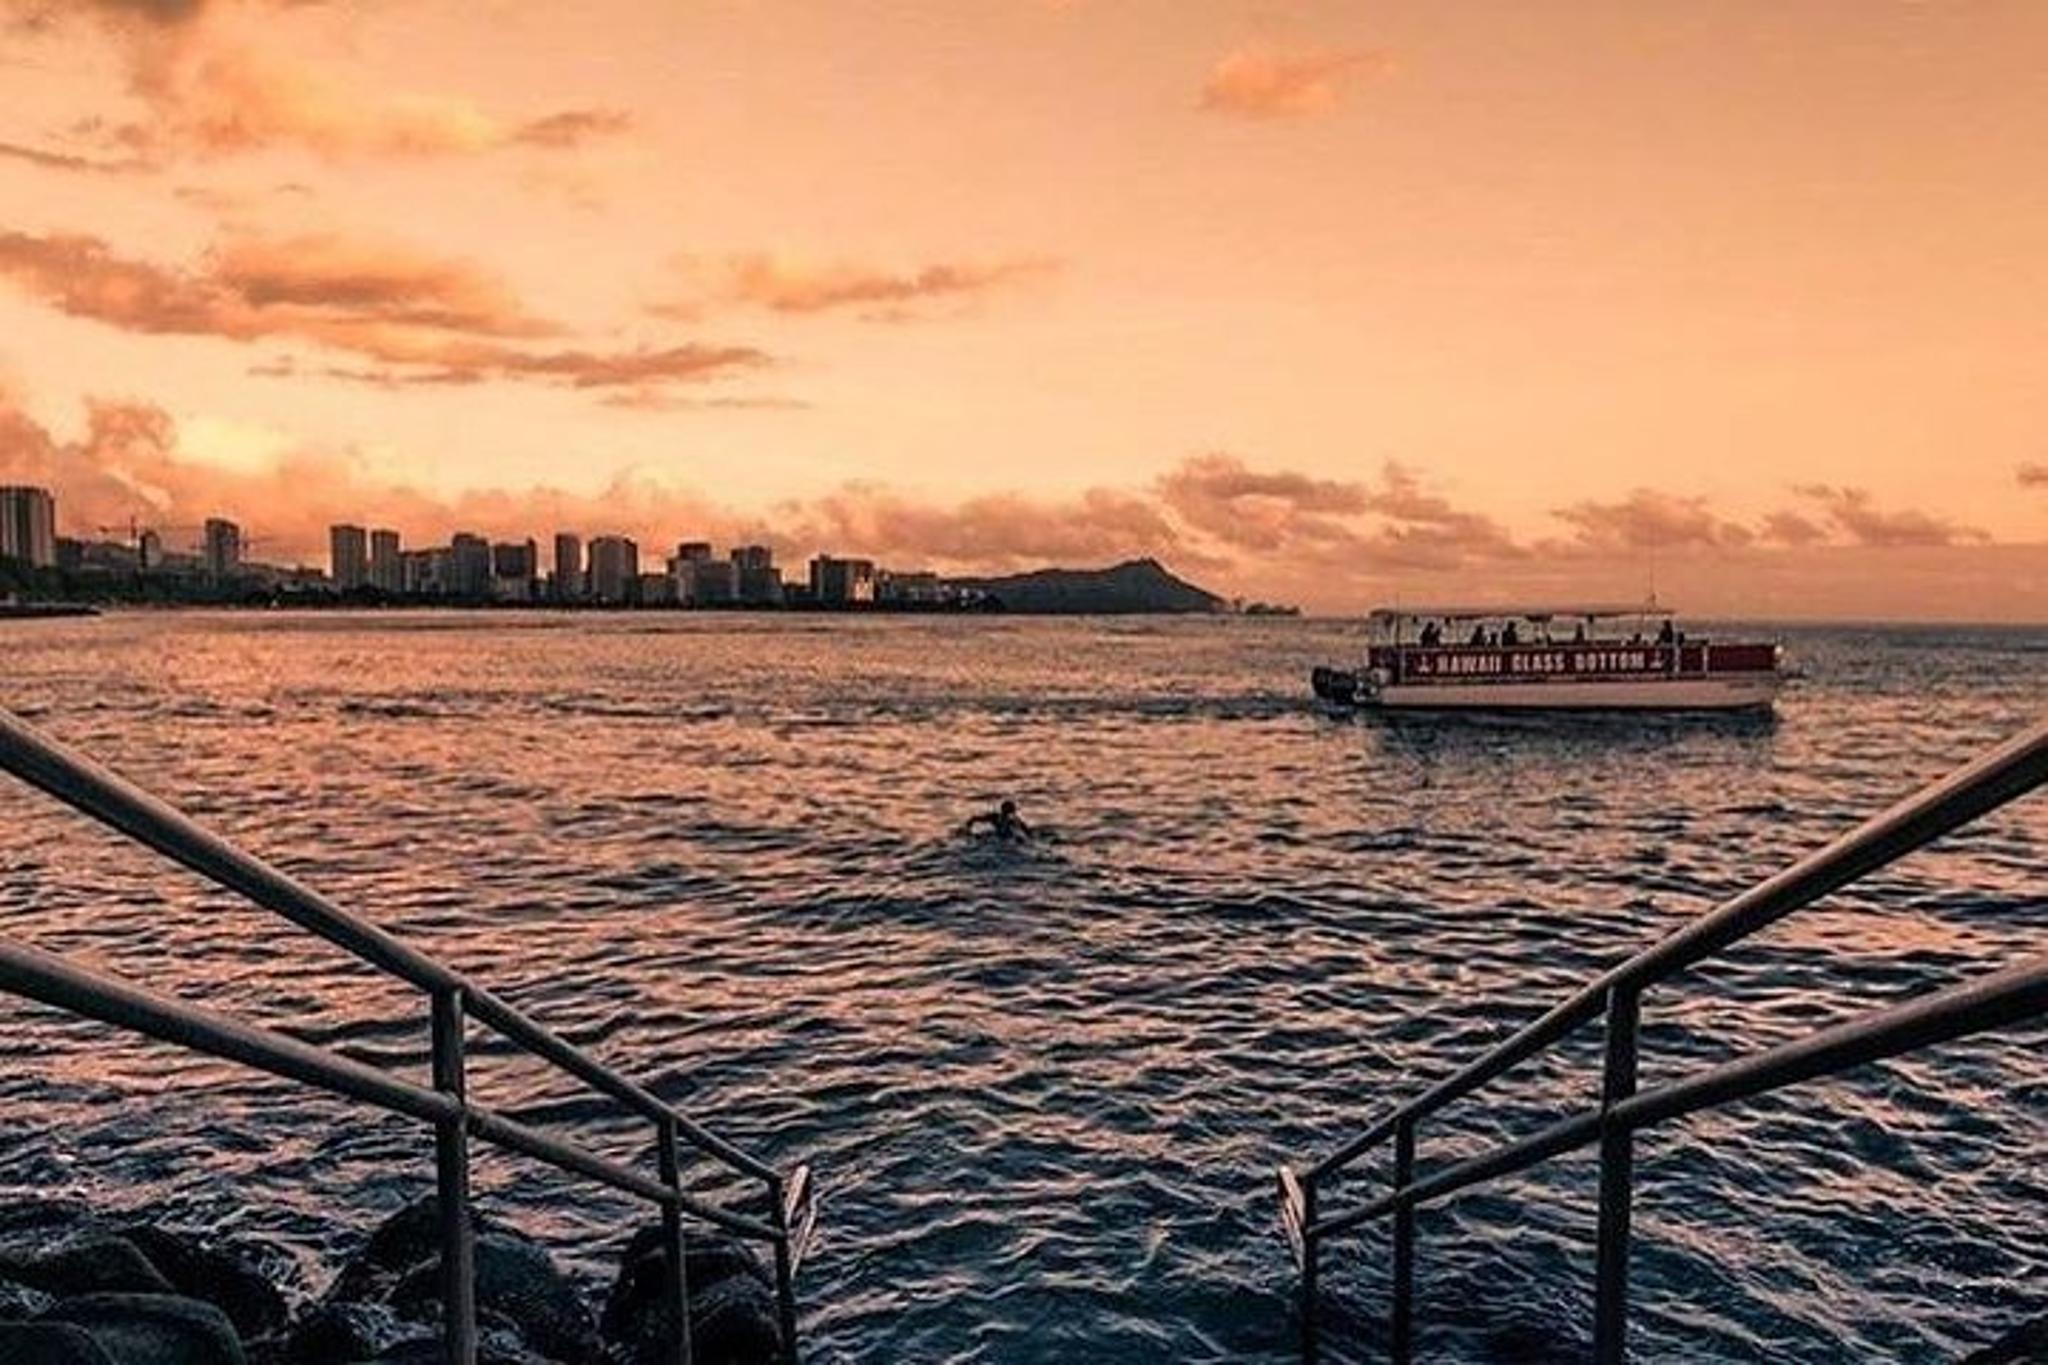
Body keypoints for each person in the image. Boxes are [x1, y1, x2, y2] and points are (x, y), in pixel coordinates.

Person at [963, 799, 1033, 841]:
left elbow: (975, 819)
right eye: (1012, 810)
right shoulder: (1012, 820)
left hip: (999, 837)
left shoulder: (1013, 820)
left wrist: (968, 826)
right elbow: (975, 818)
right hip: (1004, 838)